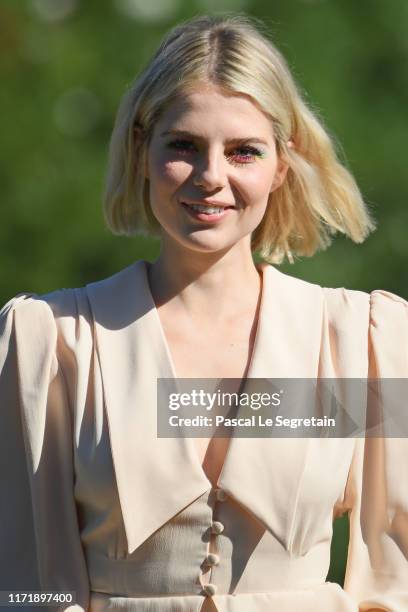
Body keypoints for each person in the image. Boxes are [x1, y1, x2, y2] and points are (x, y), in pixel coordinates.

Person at [0, 12, 407, 612]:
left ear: (281, 166)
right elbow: (29, 588)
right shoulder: (49, 342)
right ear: (142, 153)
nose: (211, 177)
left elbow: (394, 586)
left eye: (243, 151)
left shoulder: (365, 339)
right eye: (184, 146)